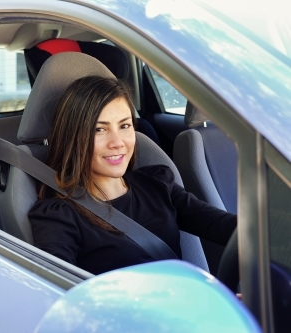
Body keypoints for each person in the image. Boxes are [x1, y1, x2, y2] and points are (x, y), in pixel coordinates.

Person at [28, 75, 236, 275]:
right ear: (73, 137)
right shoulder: (59, 215)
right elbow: (54, 290)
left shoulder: (157, 183)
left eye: (125, 126)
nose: (118, 142)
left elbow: (223, 226)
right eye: (99, 130)